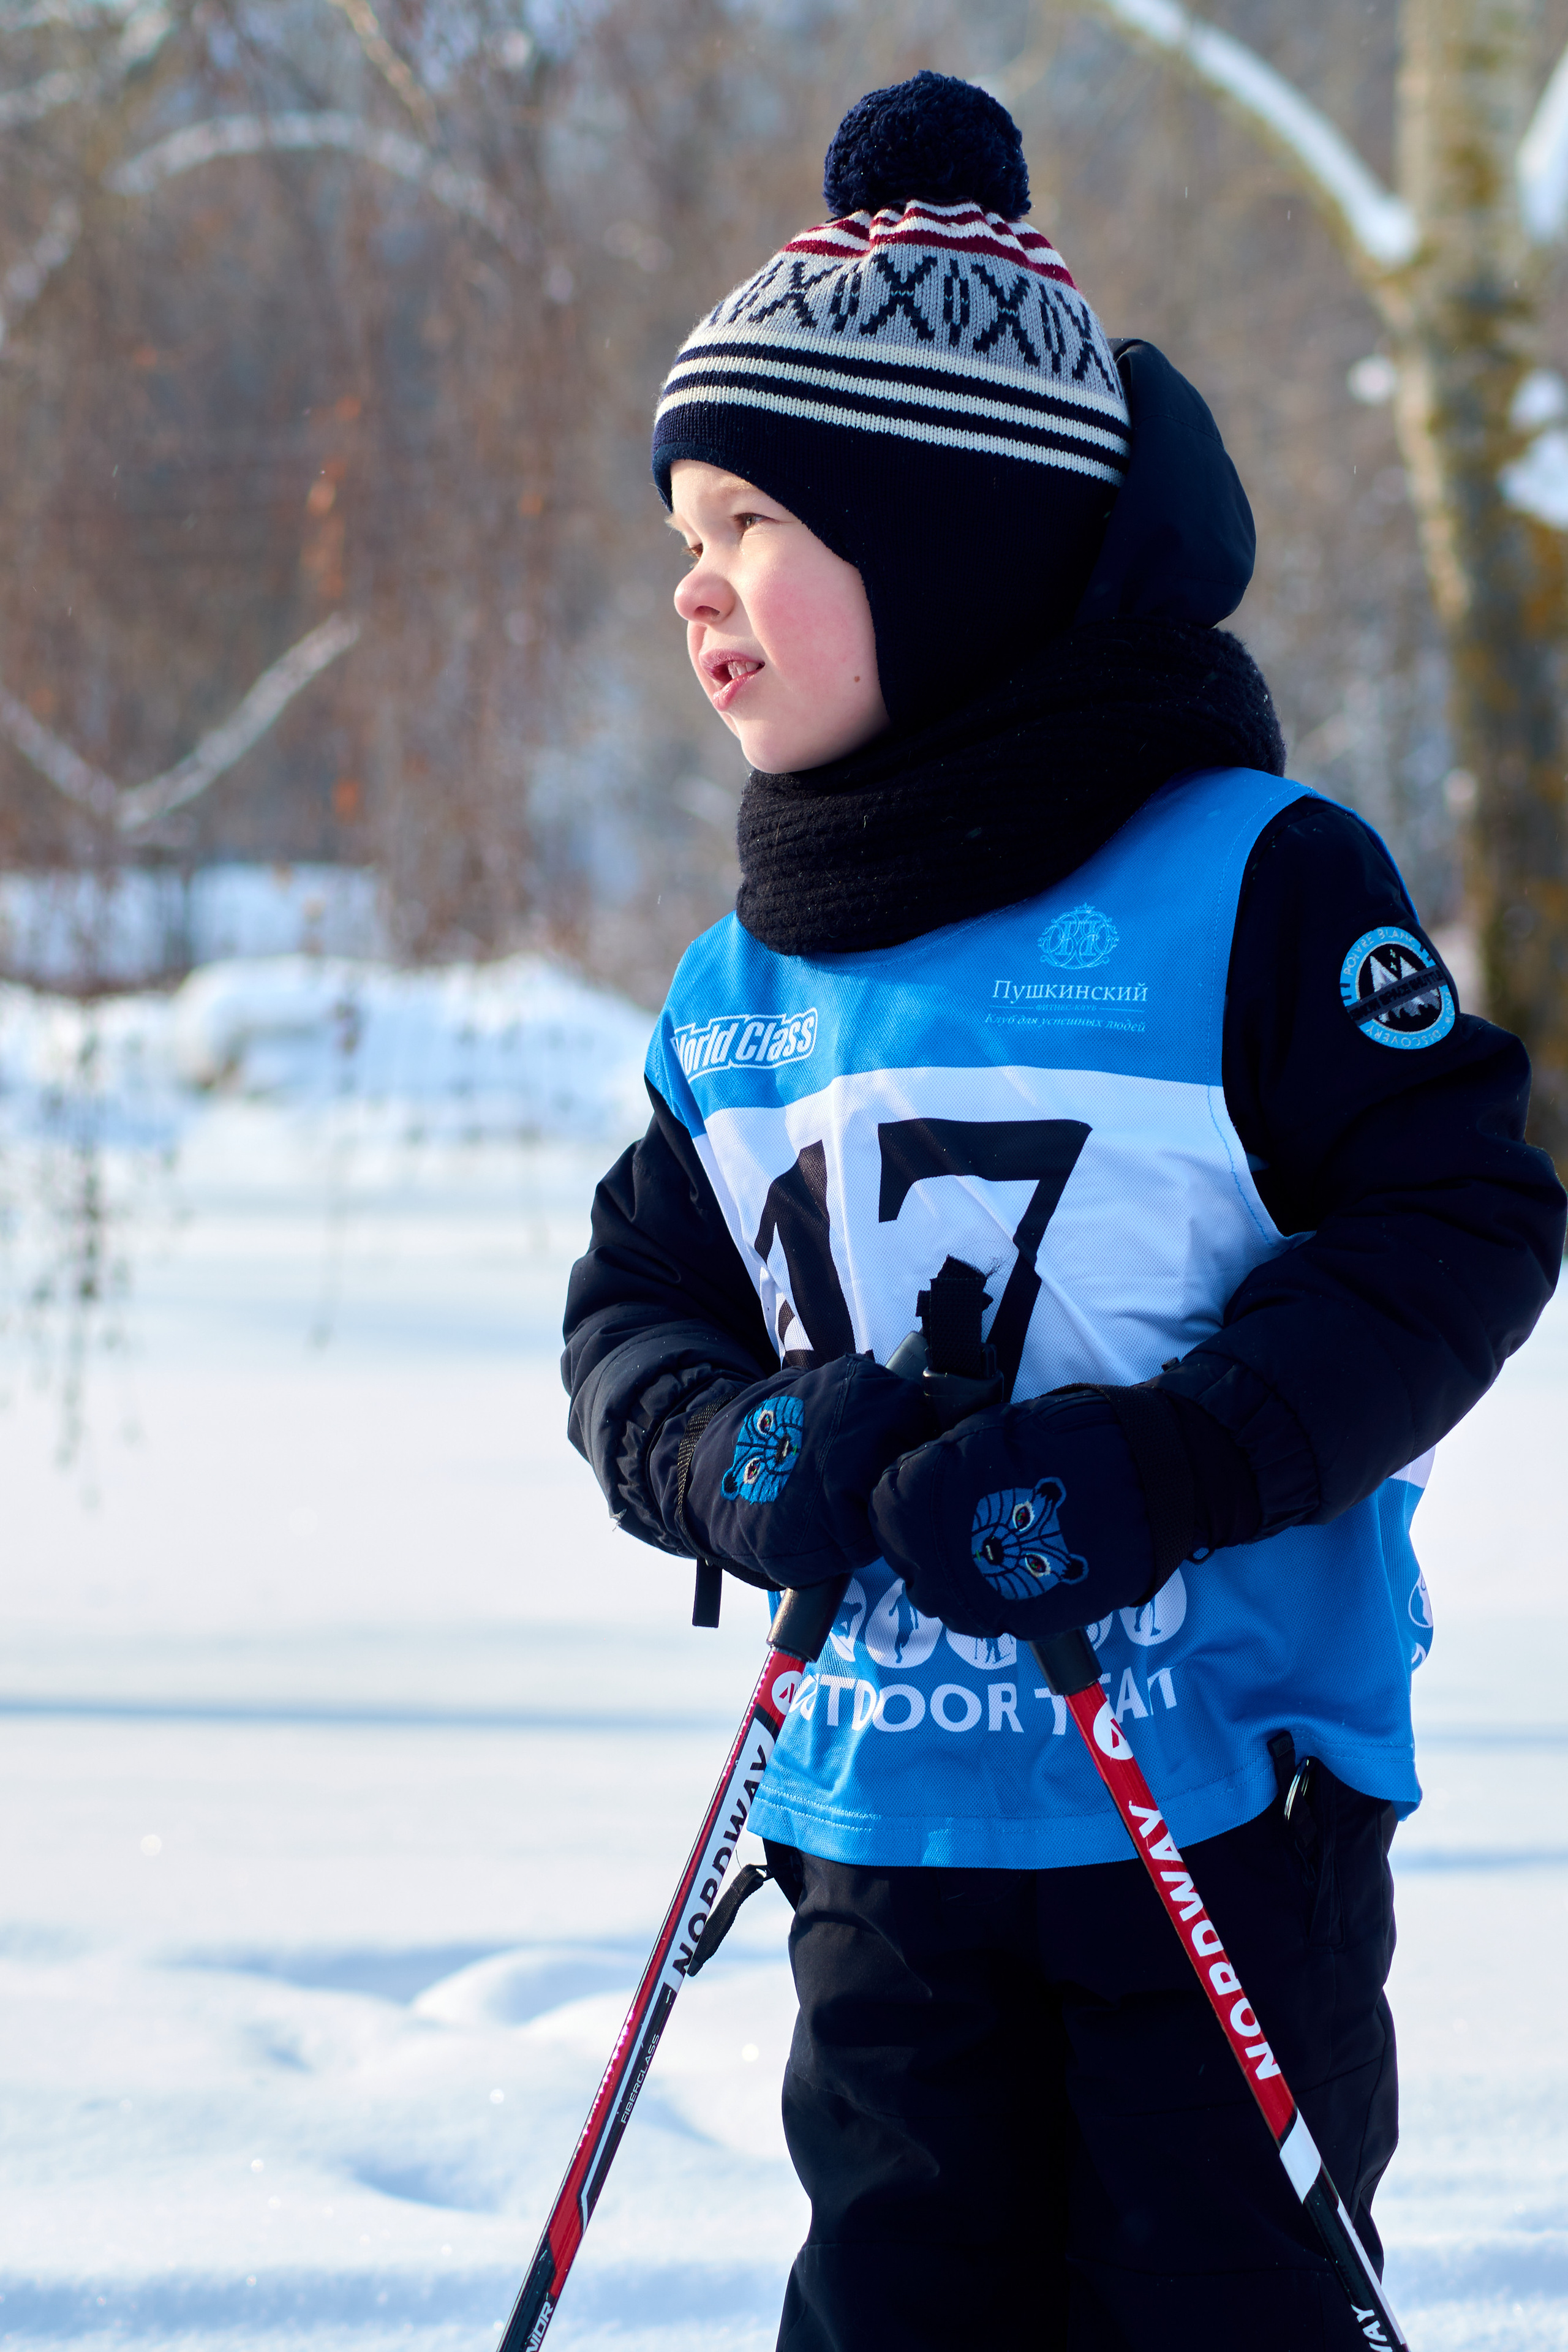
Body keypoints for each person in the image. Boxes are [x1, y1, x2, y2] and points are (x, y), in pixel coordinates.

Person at [561, 70, 1565, 2352]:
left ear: (945, 552)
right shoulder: (749, 980)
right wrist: (737, 1453)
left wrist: (1167, 1464)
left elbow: (1458, 1222)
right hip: (883, 1837)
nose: (695, 591)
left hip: (1213, 1817)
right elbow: (630, 1313)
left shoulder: (1248, 884)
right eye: (683, 538)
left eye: (751, 530)